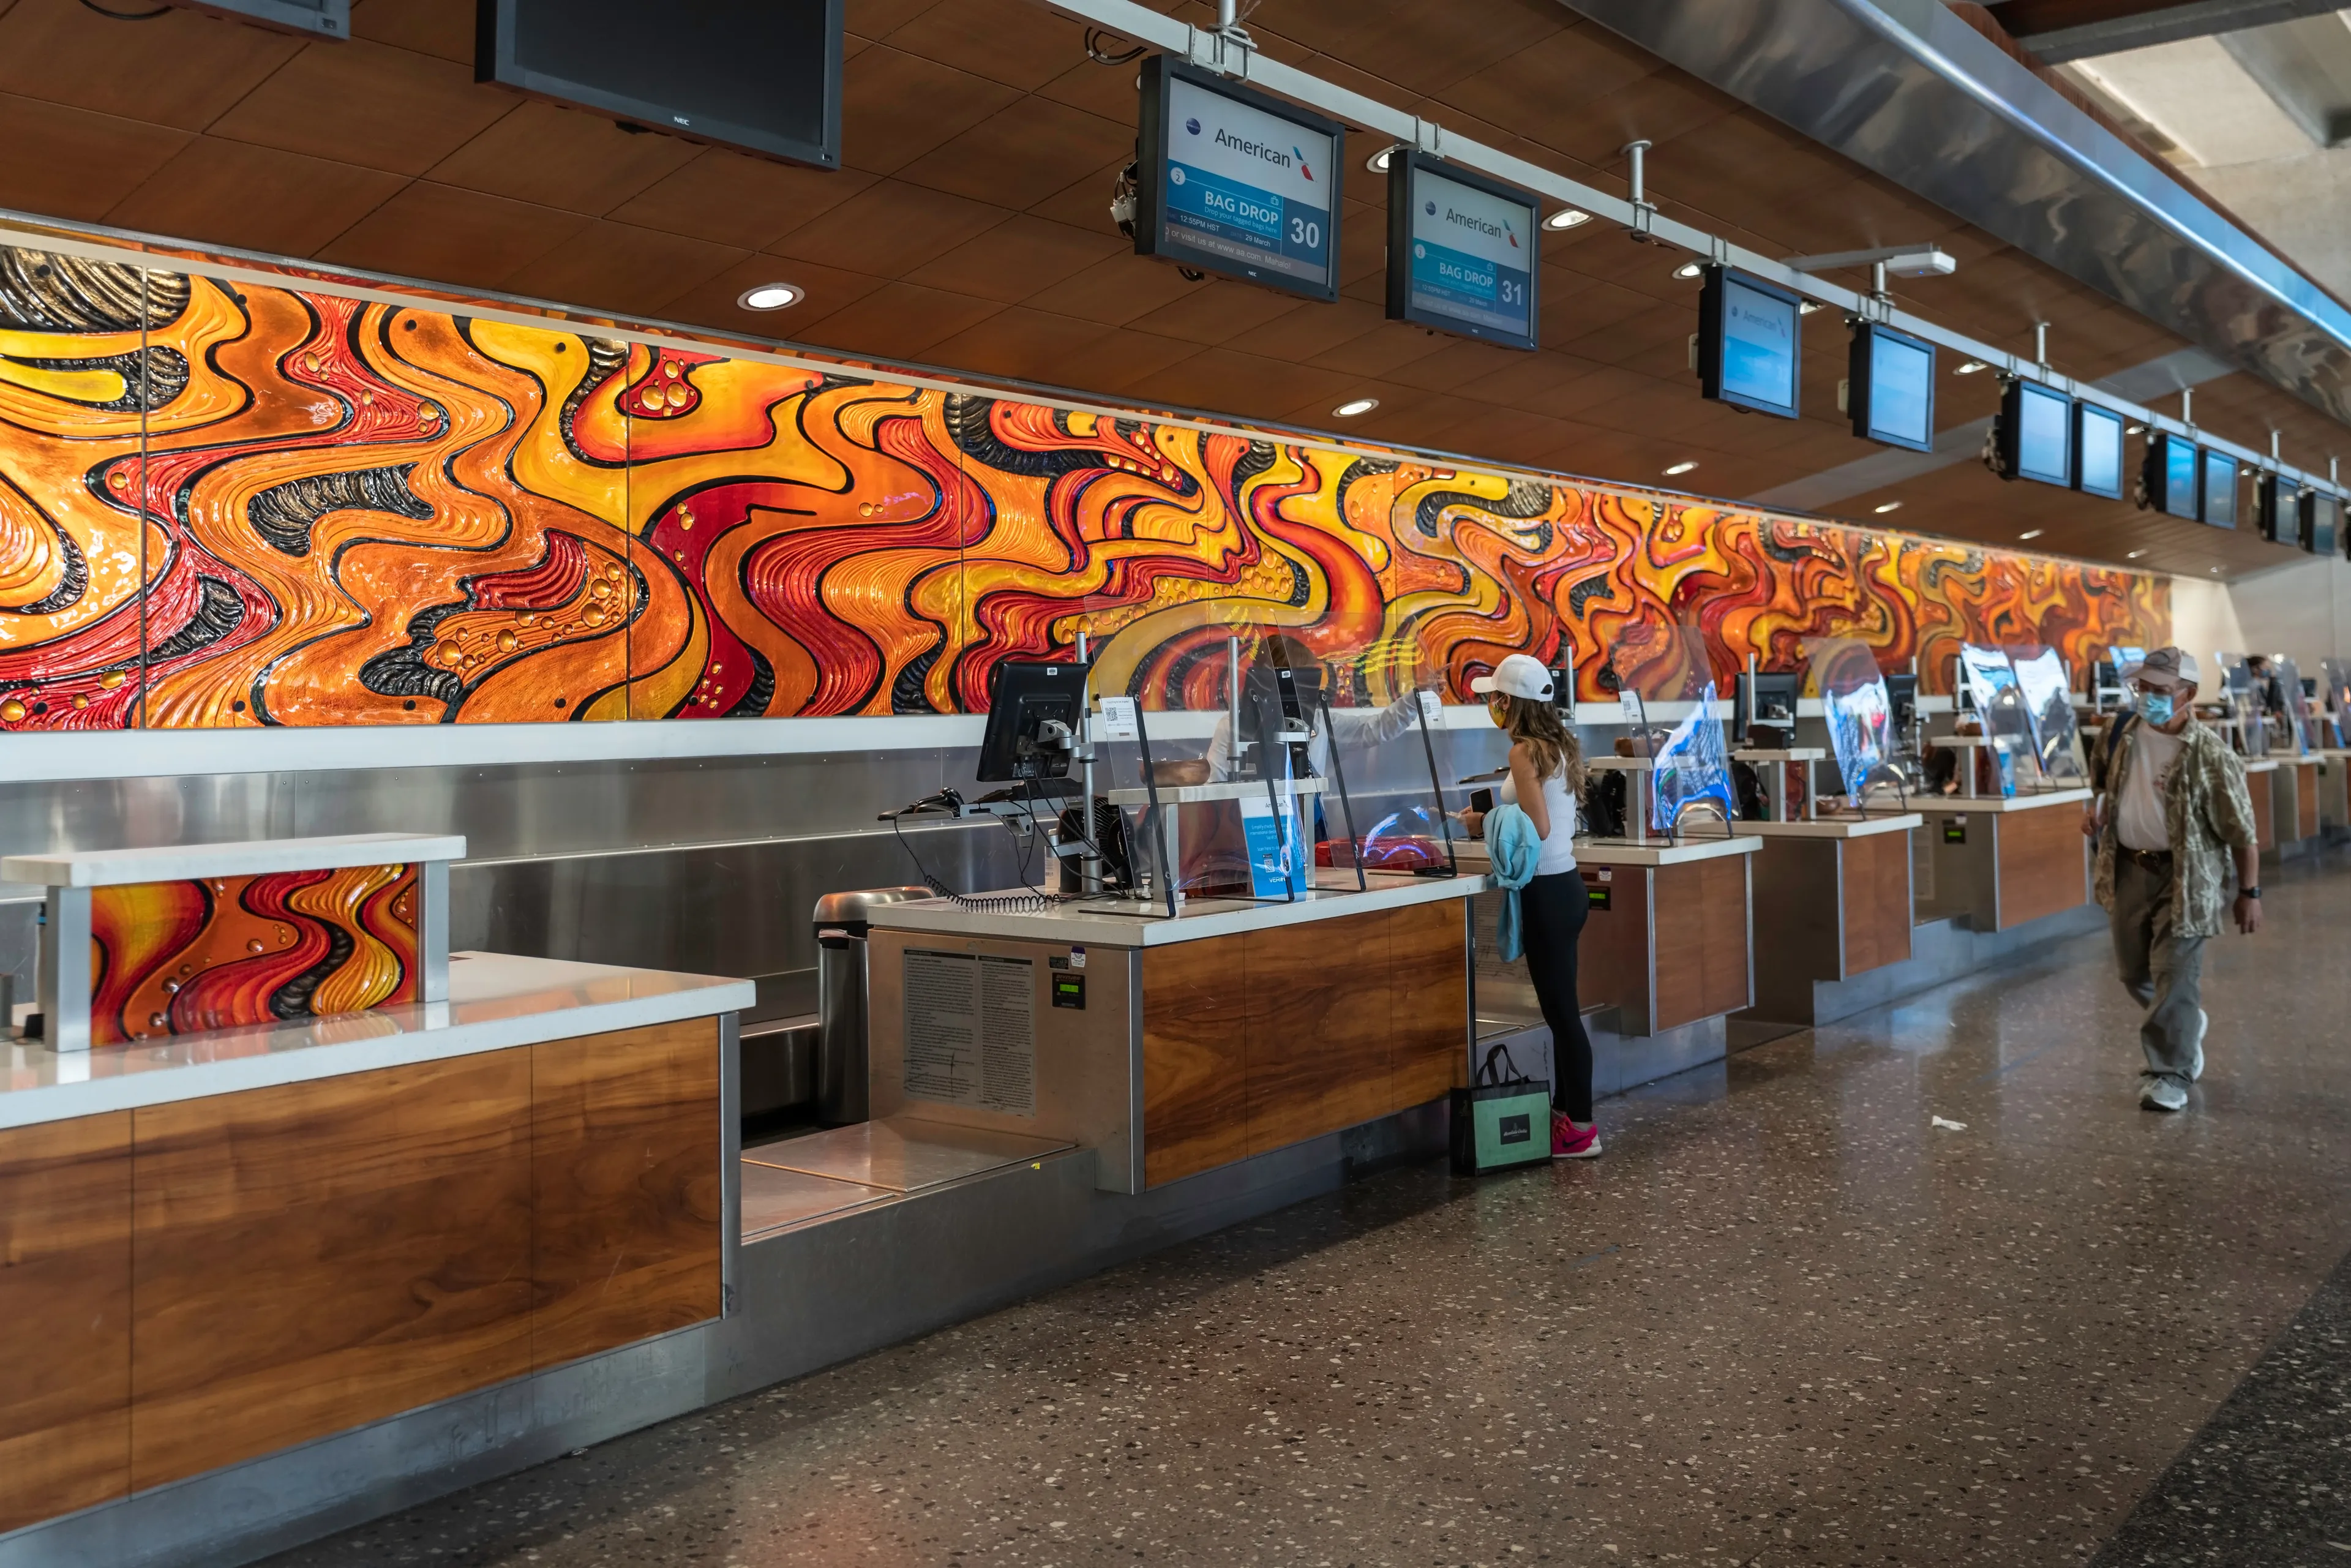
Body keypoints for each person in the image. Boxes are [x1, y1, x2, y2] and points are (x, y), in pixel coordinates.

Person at [2082, 647, 2262, 1113]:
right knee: (2133, 974)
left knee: (2174, 977)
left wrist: (2249, 892)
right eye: (2142, 687)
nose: (2148, 697)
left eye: (2160, 690)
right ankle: (2185, 1020)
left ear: (2189, 695)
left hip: (2187, 880)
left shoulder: (2212, 755)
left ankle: (2170, 1074)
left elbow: (2242, 831)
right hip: (2127, 870)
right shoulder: (2120, 731)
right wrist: (2097, 810)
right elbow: (2102, 782)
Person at [1463, 654, 1599, 1158]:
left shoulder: (1525, 753)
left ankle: (1582, 1128)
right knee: (1563, 1010)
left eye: (1494, 697)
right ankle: (1567, 1113)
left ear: (1509, 703)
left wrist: (1482, 823)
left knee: (1562, 1015)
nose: (1490, 705)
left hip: (1547, 892)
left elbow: (1537, 827)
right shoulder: (1559, 746)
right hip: (1567, 887)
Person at [1203, 632, 1429, 781]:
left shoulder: (1319, 722)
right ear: (1273, 680)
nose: (1307, 688)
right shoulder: (1233, 728)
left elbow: (1374, 729)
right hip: (1252, 836)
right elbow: (1213, 786)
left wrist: (1416, 697)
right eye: (1301, 679)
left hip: (1310, 828)